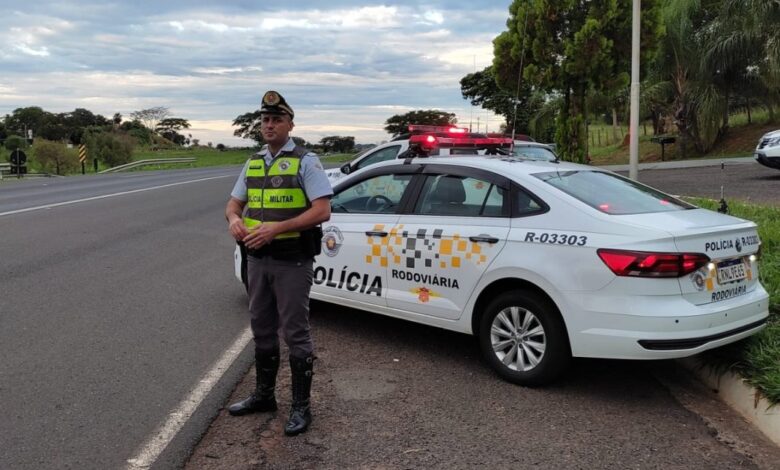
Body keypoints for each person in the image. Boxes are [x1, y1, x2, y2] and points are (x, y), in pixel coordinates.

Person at [224, 90, 332, 436]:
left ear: (290, 124)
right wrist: (233, 221)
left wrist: (277, 229)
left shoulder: (306, 161)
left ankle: (301, 407)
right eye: (265, 120)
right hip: (257, 260)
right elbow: (233, 204)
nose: (269, 125)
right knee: (261, 327)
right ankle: (264, 396)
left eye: (276, 120)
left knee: (296, 333)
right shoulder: (253, 162)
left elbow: (322, 210)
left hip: (291, 261)